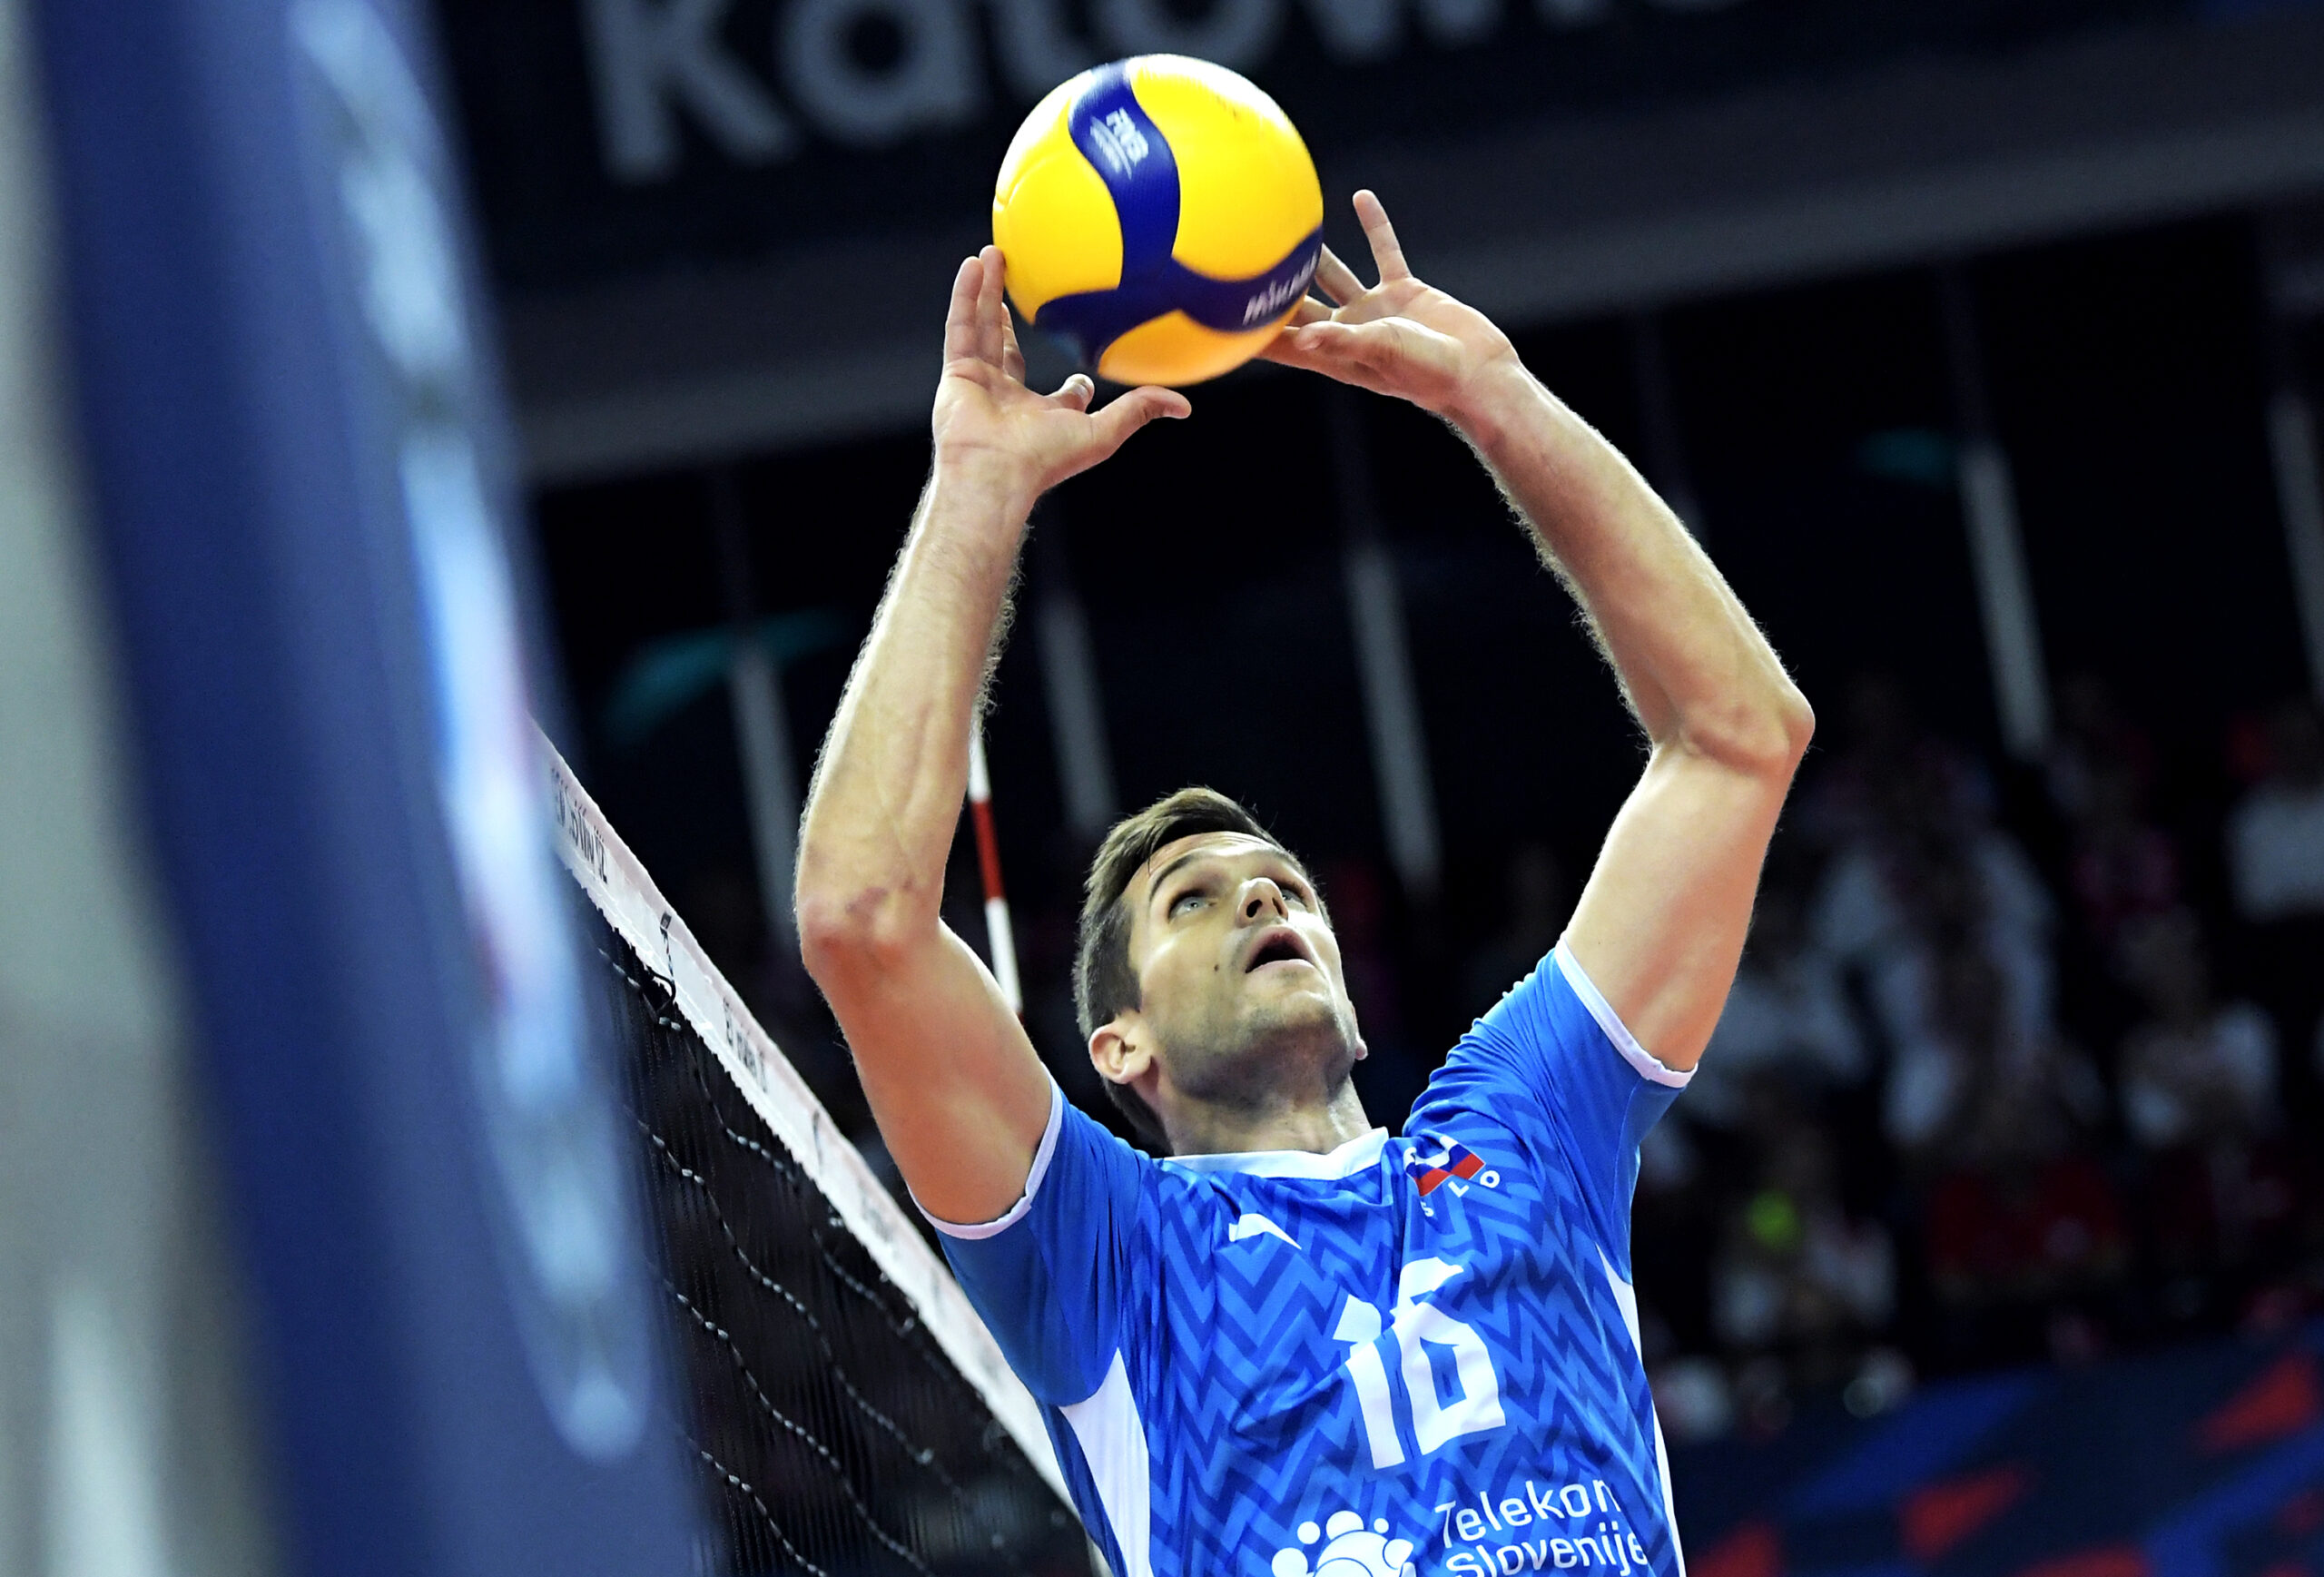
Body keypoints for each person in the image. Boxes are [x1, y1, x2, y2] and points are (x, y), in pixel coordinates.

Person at [793, 192, 1814, 1577]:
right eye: (1193, 900)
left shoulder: (1517, 1130)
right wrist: (977, 489)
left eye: (1281, 884)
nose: (1264, 903)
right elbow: (861, 917)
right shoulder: (1112, 1251)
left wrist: (1495, 398)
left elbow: (1743, 739)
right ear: (1119, 1045)